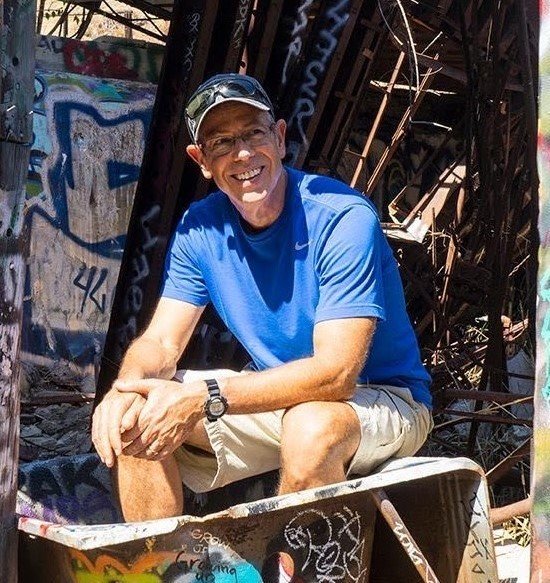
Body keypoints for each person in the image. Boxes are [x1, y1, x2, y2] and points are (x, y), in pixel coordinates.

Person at [92, 73, 433, 522]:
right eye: (221, 142)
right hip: (278, 396)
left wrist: (204, 397)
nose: (243, 153)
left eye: (254, 132)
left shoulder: (340, 217)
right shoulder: (201, 226)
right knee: (137, 418)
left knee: (311, 427)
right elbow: (161, 343)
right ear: (201, 160)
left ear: (280, 136)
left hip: (382, 399)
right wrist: (124, 390)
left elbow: (337, 376)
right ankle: (164, 571)